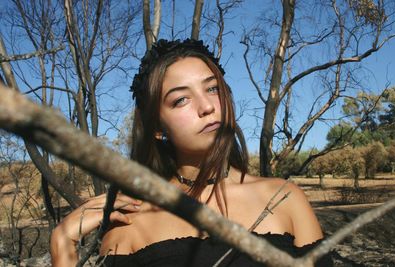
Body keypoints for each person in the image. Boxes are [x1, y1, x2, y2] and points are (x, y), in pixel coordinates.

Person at [50, 39, 333, 266]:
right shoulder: (131, 220)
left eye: (212, 88)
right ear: (157, 129)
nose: (207, 106)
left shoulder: (285, 198)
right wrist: (62, 243)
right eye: (181, 99)